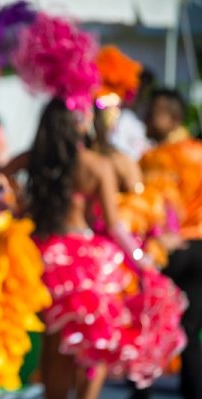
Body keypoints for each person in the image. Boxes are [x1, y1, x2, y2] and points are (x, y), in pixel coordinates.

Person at [1, 98, 186, 399]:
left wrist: (20, 206)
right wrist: (142, 261)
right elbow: (115, 226)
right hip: (85, 262)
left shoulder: (33, 158)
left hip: (38, 255)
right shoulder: (96, 165)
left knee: (54, 342)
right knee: (93, 343)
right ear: (79, 125)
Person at [139, 88, 202, 399]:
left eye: (153, 113)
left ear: (173, 119)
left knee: (150, 322)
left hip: (170, 250)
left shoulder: (154, 158)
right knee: (190, 330)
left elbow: (150, 209)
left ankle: (142, 392)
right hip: (200, 249)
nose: (146, 119)